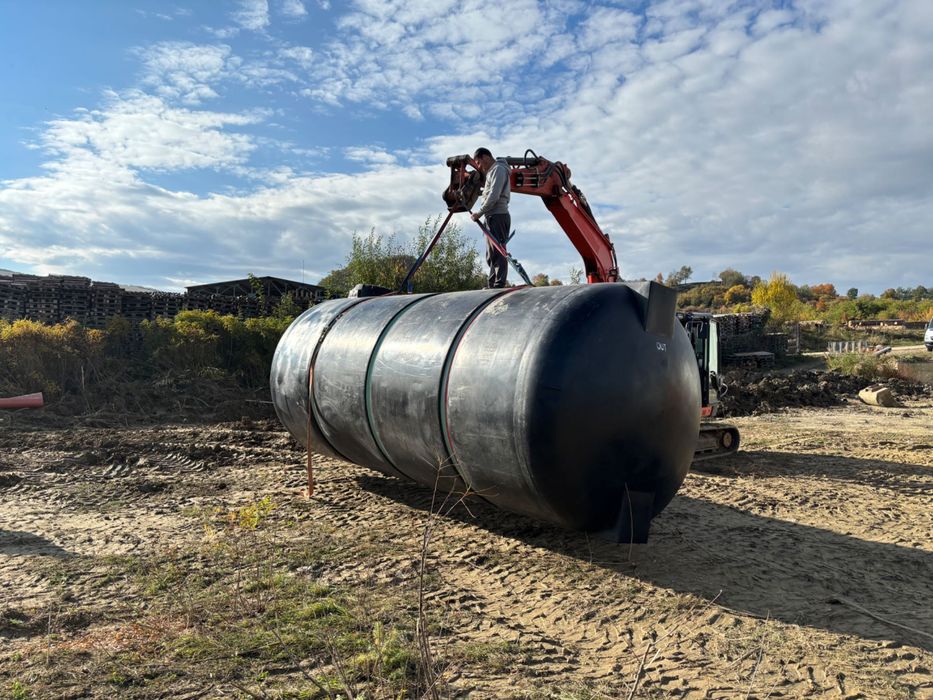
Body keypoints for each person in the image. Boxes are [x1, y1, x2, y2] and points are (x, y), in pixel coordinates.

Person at [470, 147, 511, 288]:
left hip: (498, 215)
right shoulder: (491, 172)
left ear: (486, 157)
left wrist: (479, 212)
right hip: (491, 215)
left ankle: (499, 284)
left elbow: (494, 195)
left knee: (498, 252)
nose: (479, 167)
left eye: (479, 163)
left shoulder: (498, 170)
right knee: (491, 254)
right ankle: (492, 283)